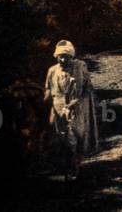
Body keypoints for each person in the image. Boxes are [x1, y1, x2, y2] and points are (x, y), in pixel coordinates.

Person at [43, 40, 99, 181]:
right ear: (56, 57)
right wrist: (43, 102)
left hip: (76, 107)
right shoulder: (52, 70)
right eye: (60, 56)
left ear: (71, 56)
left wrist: (73, 105)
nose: (62, 59)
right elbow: (48, 89)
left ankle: (73, 170)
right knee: (56, 138)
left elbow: (86, 89)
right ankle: (58, 169)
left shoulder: (80, 67)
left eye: (66, 56)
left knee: (72, 138)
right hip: (57, 107)